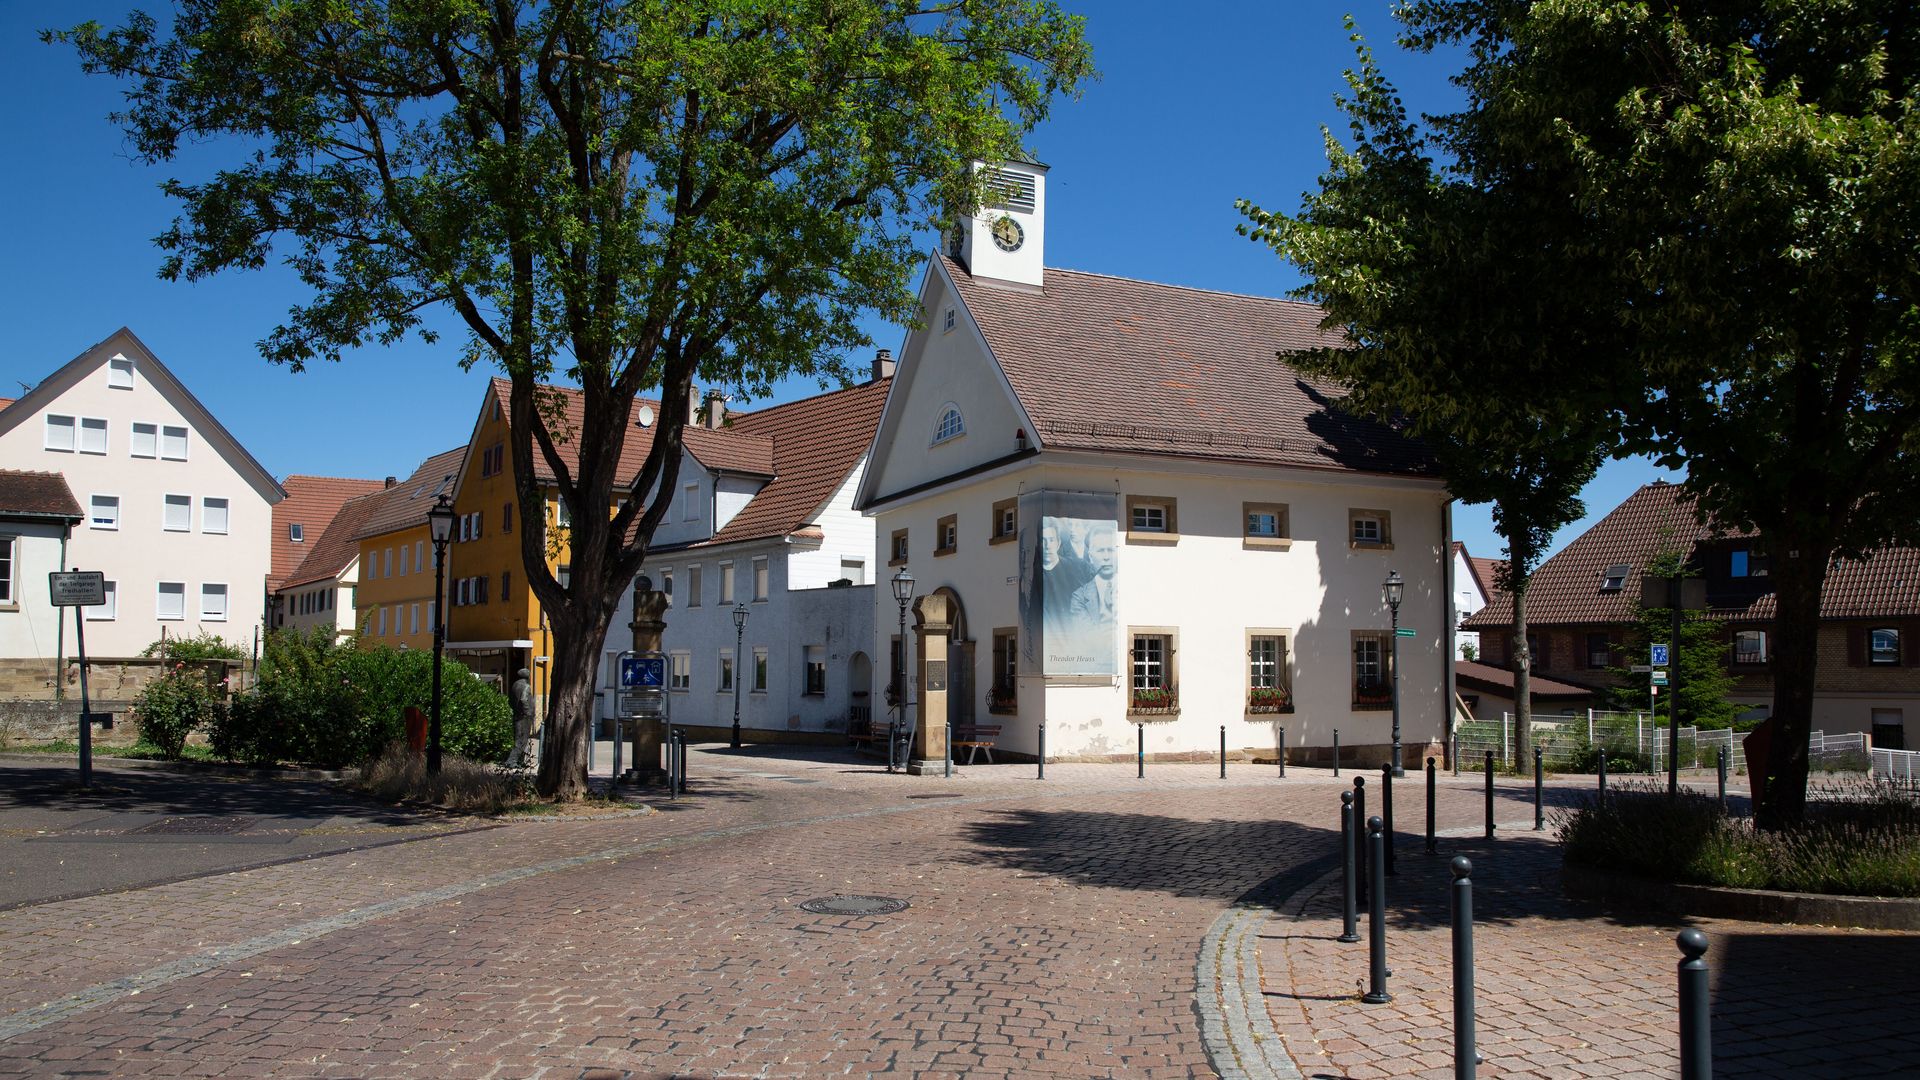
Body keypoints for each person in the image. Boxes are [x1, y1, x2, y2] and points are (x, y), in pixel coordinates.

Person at [1067, 526, 1118, 625]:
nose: (1106, 557)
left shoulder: (1131, 587)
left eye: (1110, 550)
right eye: (1100, 551)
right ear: (1090, 556)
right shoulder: (1079, 597)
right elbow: (1087, 636)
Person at [507, 668, 537, 768]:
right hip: (524, 717)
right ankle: (511, 761)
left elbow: (510, 701)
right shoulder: (526, 686)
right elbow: (524, 699)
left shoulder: (515, 685)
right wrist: (527, 712)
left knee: (518, 737)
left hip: (516, 714)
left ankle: (520, 761)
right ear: (527, 676)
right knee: (522, 739)